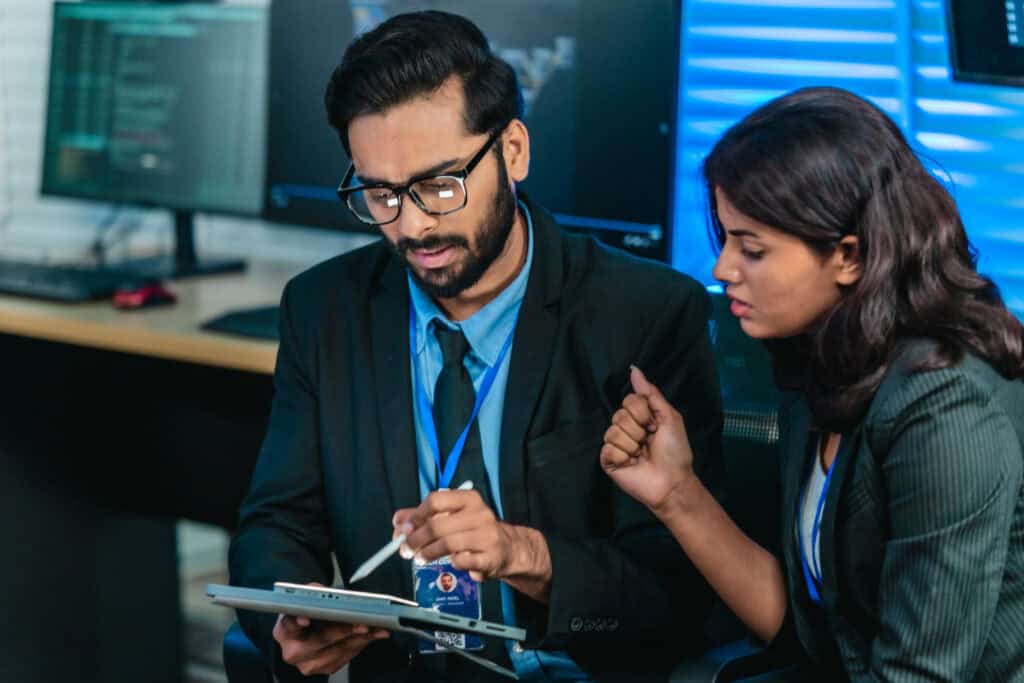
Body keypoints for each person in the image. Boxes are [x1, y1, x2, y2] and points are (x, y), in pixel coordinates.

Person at [229, 10, 724, 682]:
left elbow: (676, 596)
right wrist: (286, 616)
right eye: (380, 193)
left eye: (440, 183)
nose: (413, 223)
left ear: (513, 150)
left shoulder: (645, 314)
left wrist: (525, 553)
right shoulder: (325, 311)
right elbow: (274, 525)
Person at [602, 86, 1024, 681]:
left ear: (850, 256)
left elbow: (918, 675)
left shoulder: (945, 400)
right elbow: (811, 631)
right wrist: (676, 493)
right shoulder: (824, 362)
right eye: (726, 240)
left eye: (752, 249)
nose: (722, 270)